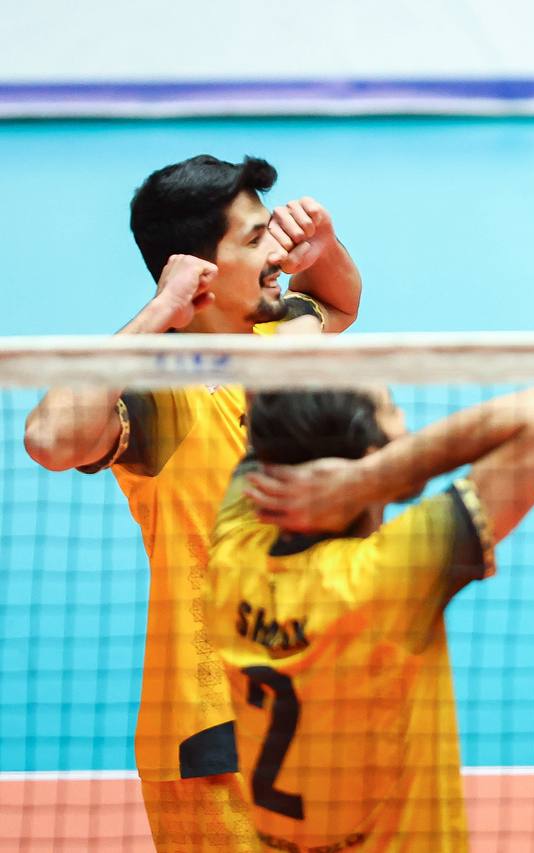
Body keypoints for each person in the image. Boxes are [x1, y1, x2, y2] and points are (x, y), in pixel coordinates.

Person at [23, 154, 364, 851]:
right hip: (215, 729)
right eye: (256, 240)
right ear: (199, 270)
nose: (277, 254)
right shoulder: (157, 397)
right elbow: (51, 439)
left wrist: (324, 246)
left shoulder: (279, 337)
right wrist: (160, 311)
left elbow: (337, 303)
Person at [205, 383, 534, 851]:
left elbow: (269, 406)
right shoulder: (390, 577)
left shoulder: (233, 550)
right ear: (370, 453)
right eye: (391, 409)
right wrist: (366, 480)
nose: (405, 419)